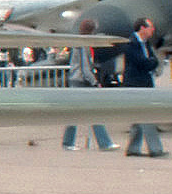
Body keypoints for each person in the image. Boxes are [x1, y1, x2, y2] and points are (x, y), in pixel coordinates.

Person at [122, 17, 166, 156]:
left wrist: (151, 62)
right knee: (147, 116)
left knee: (138, 117)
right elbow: (144, 63)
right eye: (150, 27)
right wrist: (151, 62)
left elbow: (153, 61)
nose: (152, 30)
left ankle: (133, 149)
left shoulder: (145, 44)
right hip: (135, 84)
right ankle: (155, 149)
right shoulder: (131, 43)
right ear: (142, 28)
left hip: (145, 83)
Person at [61, 45, 119, 150]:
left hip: (76, 80)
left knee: (80, 113)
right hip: (80, 81)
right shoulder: (83, 46)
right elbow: (85, 68)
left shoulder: (79, 46)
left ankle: (68, 142)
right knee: (89, 112)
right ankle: (104, 143)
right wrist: (95, 82)